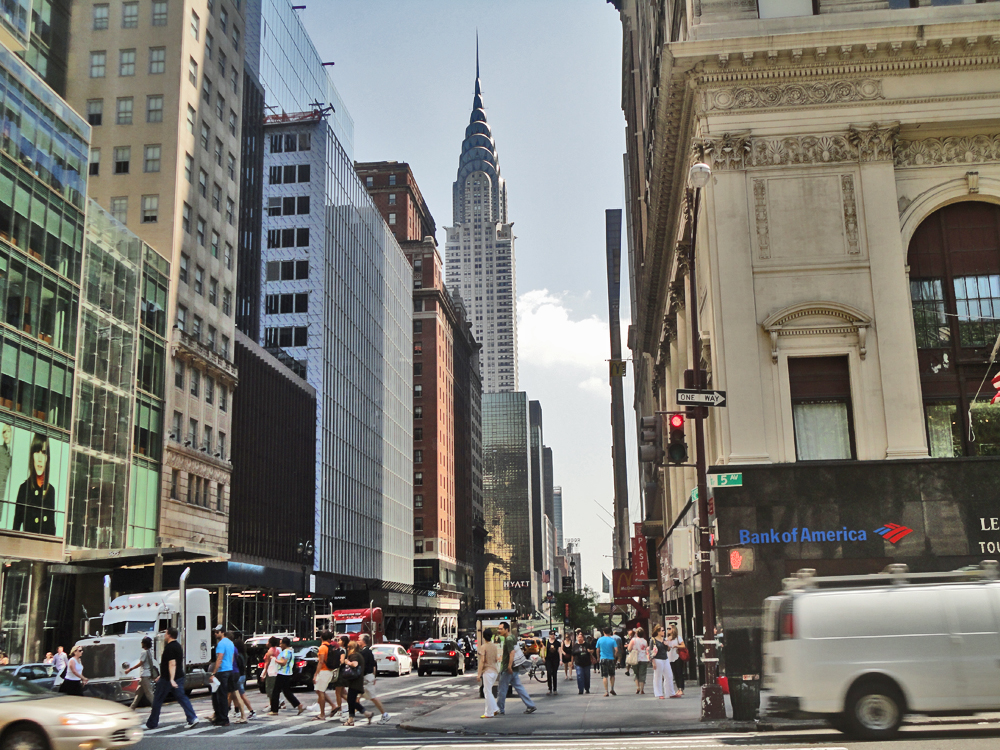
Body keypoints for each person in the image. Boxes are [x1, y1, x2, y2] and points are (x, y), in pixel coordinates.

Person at [145, 628, 198, 729]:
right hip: (177, 676)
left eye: (165, 633)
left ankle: (152, 723)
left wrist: (171, 679)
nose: (164, 635)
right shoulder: (178, 646)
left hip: (168, 679)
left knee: (157, 700)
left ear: (169, 635)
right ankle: (192, 718)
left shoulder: (169, 647)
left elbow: (172, 664)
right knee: (182, 697)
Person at [12, 433, 57, 535]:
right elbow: (16, 527)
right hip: (27, 547)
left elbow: (52, 528)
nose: (40, 459)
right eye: (37, 452)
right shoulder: (24, 489)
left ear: (47, 458)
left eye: (44, 453)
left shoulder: (51, 491)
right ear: (32, 455)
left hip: (44, 548)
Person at [496, 621, 536, 715]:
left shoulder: (508, 639)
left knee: (502, 689)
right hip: (514, 668)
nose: (499, 630)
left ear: (506, 629)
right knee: (519, 688)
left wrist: (509, 666)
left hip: (507, 669)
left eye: (501, 629)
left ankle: (500, 709)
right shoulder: (512, 637)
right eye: (499, 628)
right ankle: (530, 705)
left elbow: (512, 653)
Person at [210, 627, 243, 725]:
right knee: (224, 694)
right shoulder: (230, 643)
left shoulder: (221, 644)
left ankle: (222, 718)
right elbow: (233, 658)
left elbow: (219, 658)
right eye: (215, 632)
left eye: (217, 632)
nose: (215, 634)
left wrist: (214, 672)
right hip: (229, 670)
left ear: (222, 632)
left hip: (222, 671)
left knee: (220, 696)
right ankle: (222, 717)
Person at [269, 637, 305, 715]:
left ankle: (274, 710)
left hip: (283, 673)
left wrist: (274, 659)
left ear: (285, 644)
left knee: (275, 691)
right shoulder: (290, 651)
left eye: (281, 643)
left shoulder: (286, 652)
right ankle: (298, 705)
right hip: (287, 673)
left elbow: (283, 662)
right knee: (286, 692)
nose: (280, 645)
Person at [361, 634, 390, 724]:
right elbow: (374, 665)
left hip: (366, 678)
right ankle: (358, 715)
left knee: (373, 697)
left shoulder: (365, 652)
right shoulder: (368, 651)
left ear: (363, 641)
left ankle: (385, 714)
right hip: (368, 677)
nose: (358, 640)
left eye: (359, 639)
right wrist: (374, 677)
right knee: (355, 698)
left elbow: (363, 666)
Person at [342, 640, 372, 726]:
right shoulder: (359, 655)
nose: (347, 649)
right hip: (356, 681)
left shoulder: (354, 655)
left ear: (351, 648)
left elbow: (354, 664)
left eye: (348, 647)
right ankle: (352, 718)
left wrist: (347, 662)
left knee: (351, 700)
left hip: (355, 681)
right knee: (351, 700)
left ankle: (365, 714)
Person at [125, 637, 156, 709]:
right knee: (138, 693)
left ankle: (156, 707)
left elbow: (141, 663)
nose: (141, 643)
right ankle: (131, 708)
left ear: (144, 644)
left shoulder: (144, 652)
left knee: (149, 693)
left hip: (144, 675)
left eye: (142, 642)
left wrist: (130, 669)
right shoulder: (149, 652)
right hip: (145, 675)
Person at [313, 632, 336, 720]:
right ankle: (333, 705)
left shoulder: (322, 647)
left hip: (323, 671)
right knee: (319, 691)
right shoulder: (331, 647)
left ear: (322, 637)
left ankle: (322, 714)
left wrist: (316, 674)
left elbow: (321, 661)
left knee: (320, 692)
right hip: (329, 671)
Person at [477, 628, 500, 718]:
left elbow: (482, 661)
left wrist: (479, 674)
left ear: (483, 637)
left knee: (487, 691)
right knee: (488, 691)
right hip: (494, 671)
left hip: (487, 671)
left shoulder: (483, 647)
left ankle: (488, 713)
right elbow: (496, 659)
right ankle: (495, 709)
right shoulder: (494, 646)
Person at [649, 625, 676, 700]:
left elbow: (668, 649)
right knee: (658, 676)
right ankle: (659, 693)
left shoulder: (664, 639)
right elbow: (651, 651)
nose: (664, 632)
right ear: (658, 632)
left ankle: (670, 692)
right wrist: (653, 661)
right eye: (662, 630)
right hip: (658, 659)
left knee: (669, 675)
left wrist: (667, 645)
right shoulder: (653, 640)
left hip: (665, 658)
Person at [232, 635, 256, 720]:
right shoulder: (244, 654)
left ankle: (251, 711)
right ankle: (237, 711)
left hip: (239, 675)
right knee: (235, 694)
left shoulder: (238, 655)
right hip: (243, 675)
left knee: (241, 694)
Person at [595, 627, 618, 697]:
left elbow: (597, 650)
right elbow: (616, 650)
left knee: (605, 676)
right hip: (611, 659)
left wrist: (598, 658)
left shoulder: (600, 640)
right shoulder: (612, 640)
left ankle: (606, 691)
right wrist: (614, 656)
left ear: (603, 632)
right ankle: (612, 688)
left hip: (603, 659)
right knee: (612, 675)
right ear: (610, 632)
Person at [628, 627, 650, 695]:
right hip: (643, 659)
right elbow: (647, 649)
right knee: (642, 674)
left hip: (635, 658)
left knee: (636, 673)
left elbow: (629, 649)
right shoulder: (645, 641)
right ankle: (642, 689)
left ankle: (638, 687)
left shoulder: (633, 640)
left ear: (636, 633)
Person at [666, 624, 685, 697]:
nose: (668, 630)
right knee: (674, 673)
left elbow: (683, 645)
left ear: (673, 629)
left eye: (669, 628)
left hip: (677, 657)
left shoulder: (678, 638)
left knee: (679, 672)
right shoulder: (667, 638)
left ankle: (681, 688)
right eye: (668, 629)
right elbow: (667, 648)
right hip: (670, 657)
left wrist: (676, 646)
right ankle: (678, 688)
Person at [261, 636, 280, 705]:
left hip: (271, 672)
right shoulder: (277, 650)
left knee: (269, 688)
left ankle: (273, 704)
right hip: (276, 671)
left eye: (268, 641)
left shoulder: (270, 651)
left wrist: (264, 673)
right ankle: (274, 703)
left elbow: (267, 663)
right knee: (273, 688)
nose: (267, 643)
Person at [544, 631, 561, 695]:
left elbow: (559, 651)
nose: (553, 635)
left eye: (554, 634)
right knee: (549, 673)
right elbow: (543, 649)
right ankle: (550, 688)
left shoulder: (557, 643)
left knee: (554, 673)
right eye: (551, 634)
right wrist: (543, 657)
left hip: (555, 659)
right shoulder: (546, 642)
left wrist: (561, 659)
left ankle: (555, 689)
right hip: (548, 659)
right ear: (549, 635)